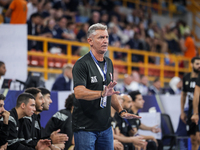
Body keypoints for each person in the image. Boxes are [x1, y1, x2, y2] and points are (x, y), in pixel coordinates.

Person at [72, 23, 140, 150]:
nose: (105, 41)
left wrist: (121, 111)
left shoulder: (108, 62)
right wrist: (102, 93)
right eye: (101, 38)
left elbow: (110, 92)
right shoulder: (81, 64)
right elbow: (79, 92)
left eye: (107, 37)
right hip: (85, 127)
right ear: (90, 41)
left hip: (105, 127)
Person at [181, 57, 200, 150]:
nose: (199, 66)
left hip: (198, 111)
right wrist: (182, 111)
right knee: (193, 140)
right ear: (191, 64)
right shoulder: (186, 77)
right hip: (190, 111)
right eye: (197, 64)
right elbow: (183, 95)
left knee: (198, 139)